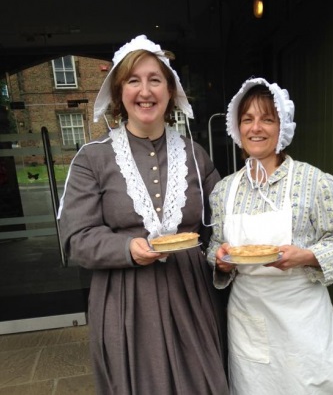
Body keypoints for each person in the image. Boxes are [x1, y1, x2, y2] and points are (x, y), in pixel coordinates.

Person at [58, 35, 229, 395]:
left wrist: (225, 255)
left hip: (191, 294)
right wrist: (129, 248)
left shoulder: (195, 156)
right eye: (133, 80)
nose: (145, 90)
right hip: (125, 298)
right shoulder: (93, 159)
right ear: (120, 93)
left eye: (155, 79)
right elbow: (76, 240)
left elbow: (225, 222)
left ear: (170, 91)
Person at [207, 77, 333, 394]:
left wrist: (305, 256)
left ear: (283, 128)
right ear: (237, 129)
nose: (256, 128)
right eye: (247, 119)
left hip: (303, 318)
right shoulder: (224, 191)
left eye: (267, 119)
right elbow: (214, 247)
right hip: (249, 317)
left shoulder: (318, 183)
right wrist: (221, 261)